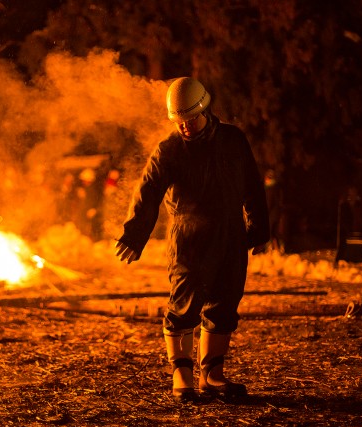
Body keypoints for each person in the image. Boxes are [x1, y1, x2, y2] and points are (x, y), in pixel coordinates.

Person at [114, 77, 269, 401]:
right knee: (184, 305)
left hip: (230, 235)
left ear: (204, 110)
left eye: (190, 120)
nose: (185, 127)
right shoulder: (169, 150)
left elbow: (252, 185)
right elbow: (148, 191)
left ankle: (212, 375)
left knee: (225, 303)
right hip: (189, 238)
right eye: (179, 122)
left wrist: (258, 228)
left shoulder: (233, 140)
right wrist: (135, 233)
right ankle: (182, 375)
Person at [264, 169, 285, 253]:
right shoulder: (277, 187)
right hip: (277, 213)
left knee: (270, 232)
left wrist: (265, 211)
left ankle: (271, 249)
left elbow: (269, 202)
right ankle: (278, 248)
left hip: (271, 214)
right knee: (275, 232)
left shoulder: (270, 188)